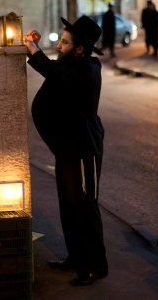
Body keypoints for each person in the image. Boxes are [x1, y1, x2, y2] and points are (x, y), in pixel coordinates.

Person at [23, 16, 108, 286]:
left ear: (80, 48)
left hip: (83, 149)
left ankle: (95, 266)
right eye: (60, 40)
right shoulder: (72, 63)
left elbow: (55, 73)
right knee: (69, 207)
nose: (59, 45)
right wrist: (33, 47)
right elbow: (56, 71)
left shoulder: (87, 69)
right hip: (68, 150)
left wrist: (34, 51)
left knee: (84, 208)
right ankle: (76, 257)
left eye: (64, 42)